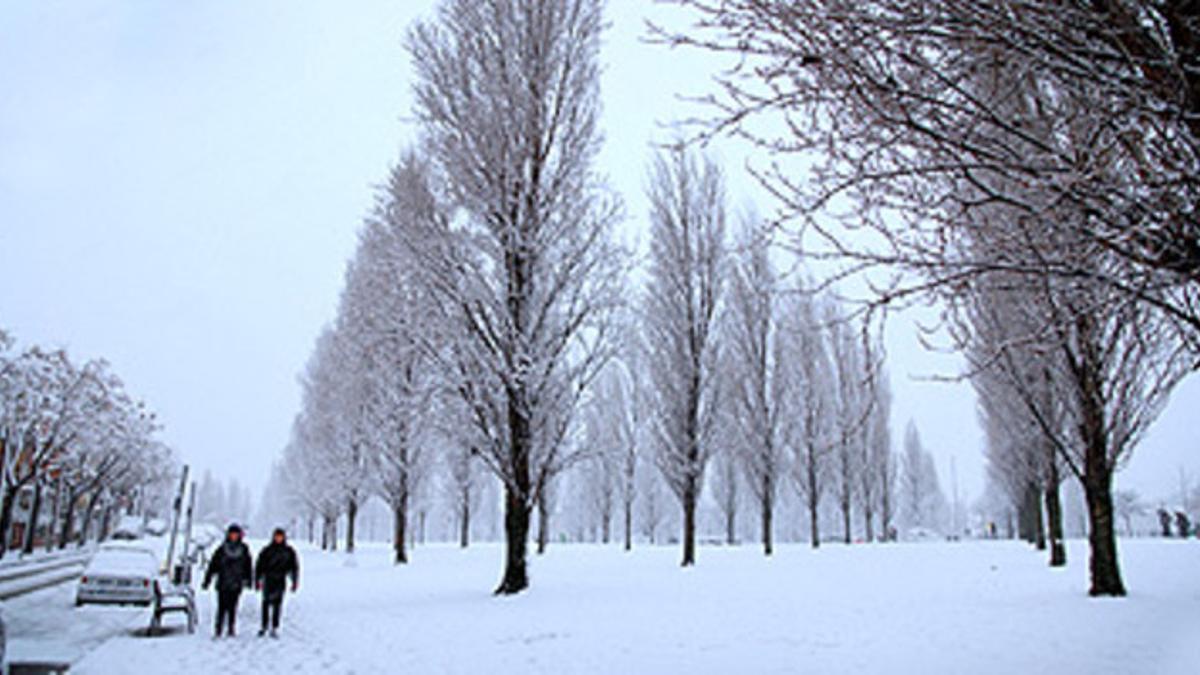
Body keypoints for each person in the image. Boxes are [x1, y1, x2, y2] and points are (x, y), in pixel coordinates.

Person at [203, 523, 253, 638]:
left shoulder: (244, 549)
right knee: (221, 608)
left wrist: (249, 580)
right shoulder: (221, 549)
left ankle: (231, 628)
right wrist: (207, 580)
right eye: (232, 534)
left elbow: (248, 565)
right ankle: (218, 629)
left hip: (236, 583)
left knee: (233, 607)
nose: (234, 536)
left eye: (236, 534)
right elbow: (213, 565)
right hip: (223, 583)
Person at [254, 527, 299, 638]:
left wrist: (294, 581)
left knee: (277, 605)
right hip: (268, 580)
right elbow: (259, 566)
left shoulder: (289, 551)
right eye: (277, 536)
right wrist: (257, 580)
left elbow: (294, 567)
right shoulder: (267, 550)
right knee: (265, 604)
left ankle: (275, 627)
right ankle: (264, 626)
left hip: (280, 580)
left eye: (280, 536)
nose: (278, 538)